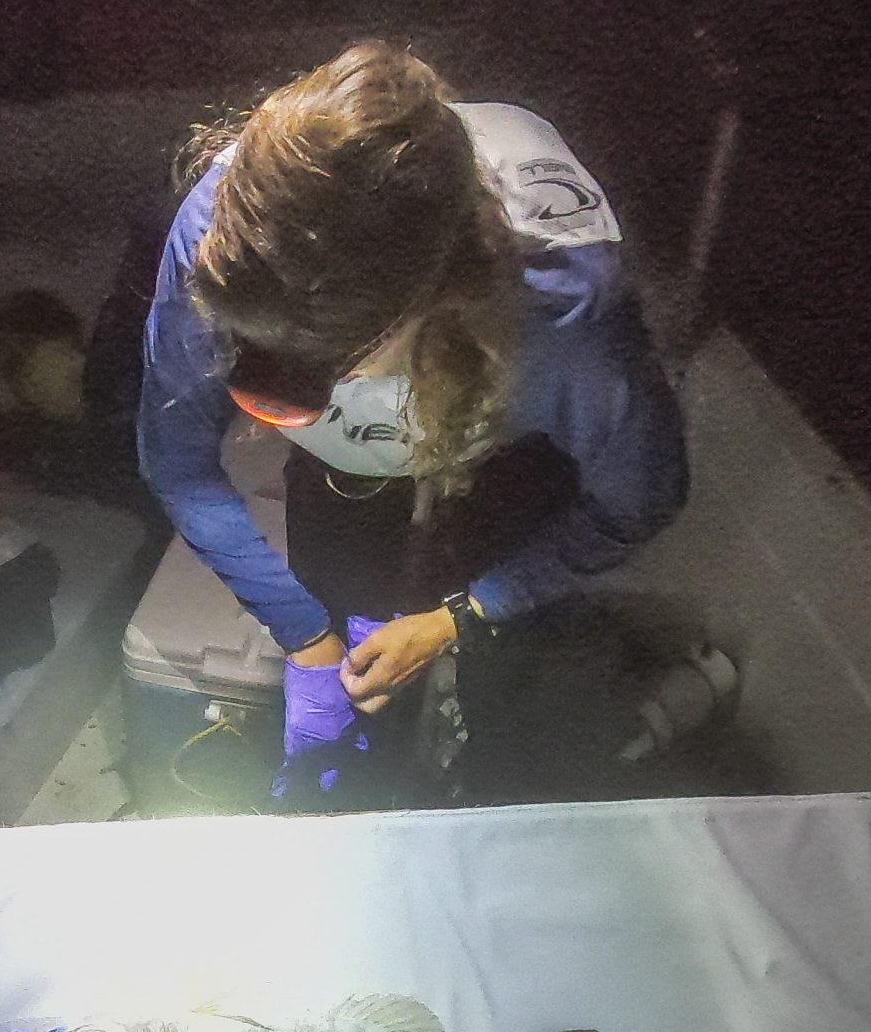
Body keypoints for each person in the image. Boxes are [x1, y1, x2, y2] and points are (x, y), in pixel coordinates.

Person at [137, 43, 689, 802]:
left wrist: (463, 614)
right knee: (344, 631)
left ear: (433, 303)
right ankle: (358, 779)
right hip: (351, 470)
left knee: (516, 695)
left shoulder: (561, 321)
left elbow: (640, 499)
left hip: (508, 441)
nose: (283, 402)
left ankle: (499, 770)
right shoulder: (222, 239)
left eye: (324, 371)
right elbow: (177, 465)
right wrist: (303, 633)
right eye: (261, 384)